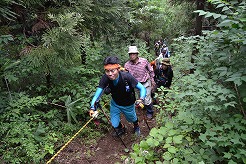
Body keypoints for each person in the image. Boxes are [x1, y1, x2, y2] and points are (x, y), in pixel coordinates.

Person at [89, 56, 146, 137]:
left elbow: (142, 88)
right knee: (114, 124)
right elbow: (97, 94)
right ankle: (121, 127)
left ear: (118, 69)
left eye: (112, 70)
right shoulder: (105, 78)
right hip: (115, 103)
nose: (110, 74)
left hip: (128, 104)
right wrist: (92, 107)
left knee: (132, 119)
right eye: (107, 71)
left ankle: (136, 126)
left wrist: (141, 99)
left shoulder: (127, 77)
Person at [124, 46, 156, 119]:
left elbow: (150, 70)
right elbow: (126, 76)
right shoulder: (127, 65)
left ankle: (150, 111)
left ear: (137, 54)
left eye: (134, 54)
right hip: (136, 84)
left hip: (145, 82)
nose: (132, 55)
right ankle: (143, 106)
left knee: (147, 98)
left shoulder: (144, 61)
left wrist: (153, 80)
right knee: (140, 97)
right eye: (130, 54)